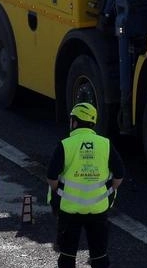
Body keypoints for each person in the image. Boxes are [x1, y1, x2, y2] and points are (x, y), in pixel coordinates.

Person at [46, 103, 125, 268]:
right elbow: (119, 175)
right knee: (99, 256)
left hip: (69, 210)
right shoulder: (105, 144)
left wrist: (59, 193)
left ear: (74, 122)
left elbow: (51, 177)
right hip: (98, 209)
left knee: (67, 256)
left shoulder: (65, 145)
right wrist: (107, 192)